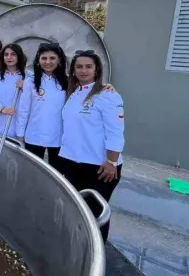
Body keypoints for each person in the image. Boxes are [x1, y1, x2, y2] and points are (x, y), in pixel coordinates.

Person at [56, 50, 124, 242]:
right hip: (72, 161)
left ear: (97, 70)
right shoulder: (74, 93)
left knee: (95, 215)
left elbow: (116, 132)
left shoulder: (107, 95)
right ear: (73, 70)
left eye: (88, 66)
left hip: (99, 165)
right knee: (77, 209)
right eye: (79, 66)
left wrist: (112, 161)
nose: (83, 70)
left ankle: (97, 251)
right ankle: (78, 246)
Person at [15, 42, 69, 164]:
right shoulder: (31, 82)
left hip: (58, 137)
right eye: (44, 58)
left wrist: (106, 86)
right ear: (38, 60)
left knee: (56, 174)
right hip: (34, 135)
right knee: (32, 172)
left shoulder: (68, 81)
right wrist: (20, 134)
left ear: (59, 60)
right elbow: (24, 110)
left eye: (52, 58)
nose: (48, 62)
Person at [0, 43, 30, 138]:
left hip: (18, 123)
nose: (9, 57)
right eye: (6, 54)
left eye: (13, 54)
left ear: (19, 56)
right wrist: (2, 109)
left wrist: (26, 87)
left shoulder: (29, 76)